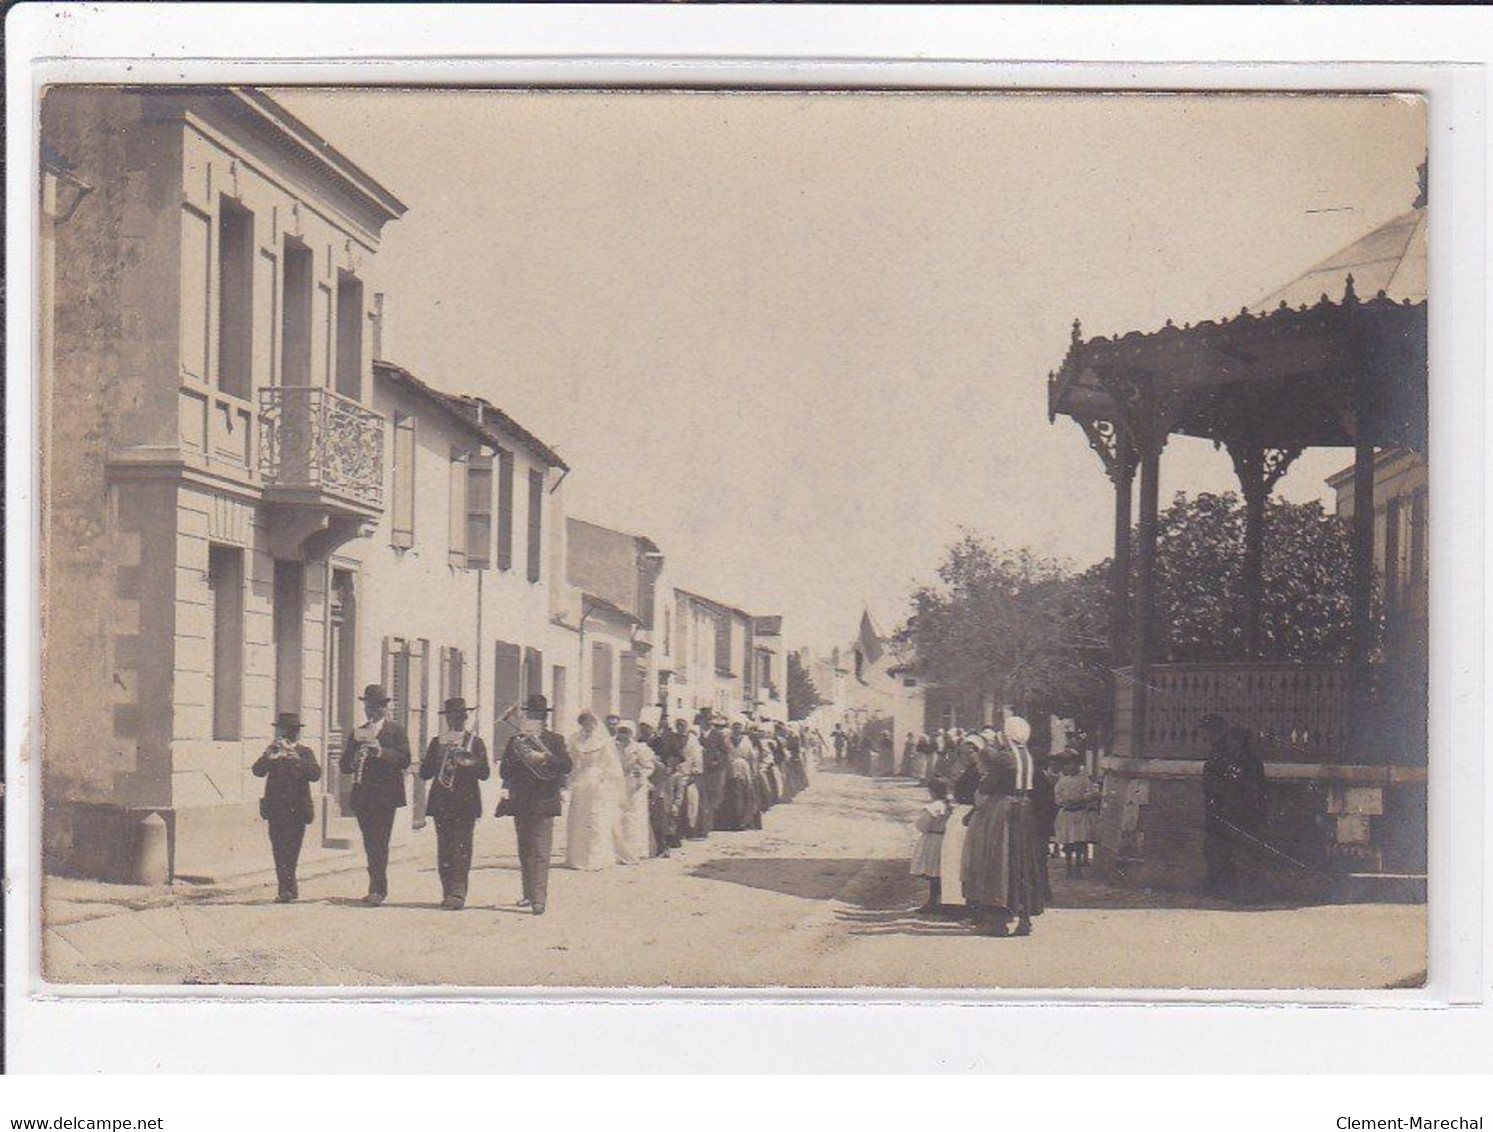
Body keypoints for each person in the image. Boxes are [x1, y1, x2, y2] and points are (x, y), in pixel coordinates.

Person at [960, 730, 1045, 938]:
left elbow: (987, 786)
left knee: (999, 865)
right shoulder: (1026, 755)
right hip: (1025, 810)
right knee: (1023, 864)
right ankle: (1025, 920)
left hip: (1004, 813)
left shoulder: (1004, 757)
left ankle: (999, 923)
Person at [497, 695, 573, 915]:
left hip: (545, 799)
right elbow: (504, 771)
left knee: (540, 850)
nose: (533, 718)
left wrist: (544, 758)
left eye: (537, 715)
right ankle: (529, 893)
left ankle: (539, 899)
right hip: (521, 800)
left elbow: (566, 765)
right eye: (530, 714)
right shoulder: (516, 741)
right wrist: (517, 758)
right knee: (525, 849)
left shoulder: (555, 740)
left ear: (544, 717)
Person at [339, 683, 412, 906]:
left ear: (384, 708)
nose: (371, 711)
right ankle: (375, 886)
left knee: (380, 842)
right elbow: (344, 766)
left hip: (386, 796)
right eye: (368, 707)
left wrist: (380, 752)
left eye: (376, 707)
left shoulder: (395, 730)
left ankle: (378, 889)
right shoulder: (358, 732)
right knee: (370, 842)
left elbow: (405, 759)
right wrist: (354, 757)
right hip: (363, 795)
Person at [419, 697, 490, 910]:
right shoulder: (437, 741)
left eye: (459, 716)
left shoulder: (475, 742)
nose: (455, 720)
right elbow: (424, 773)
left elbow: (485, 773)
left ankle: (458, 893)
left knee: (462, 848)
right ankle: (447, 890)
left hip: (466, 802)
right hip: (441, 802)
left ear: (465, 718)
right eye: (451, 716)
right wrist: (438, 758)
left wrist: (467, 761)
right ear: (446, 718)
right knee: (445, 848)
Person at [253, 712, 321, 903]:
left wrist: (297, 759)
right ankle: (286, 889)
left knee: (292, 850)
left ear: (296, 733)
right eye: (282, 731)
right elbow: (257, 771)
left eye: (289, 731)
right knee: (278, 849)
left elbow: (316, 774)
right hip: (276, 809)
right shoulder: (273, 750)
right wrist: (268, 756)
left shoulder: (304, 751)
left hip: (297, 810)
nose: (284, 735)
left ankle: (288, 888)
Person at [1202, 719, 1268, 898]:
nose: (1230, 743)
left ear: (1241, 741)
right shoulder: (1223, 758)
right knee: (1221, 852)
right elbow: (1211, 782)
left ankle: (1246, 892)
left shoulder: (1251, 762)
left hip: (1243, 813)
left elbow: (1256, 788)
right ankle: (1223, 889)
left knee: (1244, 853)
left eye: (1234, 740)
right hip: (1223, 812)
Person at [565, 710, 624, 871]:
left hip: (598, 780)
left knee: (596, 817)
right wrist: (568, 780)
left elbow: (612, 765)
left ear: (595, 723)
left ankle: (596, 857)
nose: (587, 725)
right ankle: (578, 858)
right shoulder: (575, 739)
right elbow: (570, 762)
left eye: (589, 722)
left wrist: (605, 779)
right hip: (581, 780)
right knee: (580, 817)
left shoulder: (602, 741)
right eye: (584, 722)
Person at [937, 735, 985, 914]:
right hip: (960, 815)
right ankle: (954, 901)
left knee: (965, 860)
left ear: (978, 752)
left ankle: (967, 902)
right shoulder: (967, 770)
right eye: (962, 753)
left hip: (971, 816)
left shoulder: (980, 771)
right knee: (953, 859)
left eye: (969, 753)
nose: (965, 757)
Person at [1054, 753, 1101, 876]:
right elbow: (1057, 796)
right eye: (1067, 765)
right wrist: (1064, 801)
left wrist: (1082, 799)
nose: (1069, 767)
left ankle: (1078, 865)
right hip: (1067, 813)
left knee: (1080, 841)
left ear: (1078, 766)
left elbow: (1091, 793)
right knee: (1068, 841)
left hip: (1080, 812)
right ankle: (1068, 867)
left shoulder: (1084, 779)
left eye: (1072, 764)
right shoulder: (1062, 780)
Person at [911, 778, 953, 915]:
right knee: (941, 872)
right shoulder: (951, 804)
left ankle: (934, 902)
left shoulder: (935, 806)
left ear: (932, 792)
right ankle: (941, 901)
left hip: (934, 839)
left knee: (934, 872)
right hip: (946, 838)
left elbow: (922, 825)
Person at [615, 720, 655, 864]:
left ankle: (634, 850)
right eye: (621, 731)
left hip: (634, 785)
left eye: (626, 731)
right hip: (619, 784)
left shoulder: (639, 748)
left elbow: (649, 767)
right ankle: (619, 850)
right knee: (619, 815)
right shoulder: (614, 747)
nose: (623, 735)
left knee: (633, 817)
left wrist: (641, 774)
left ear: (631, 733)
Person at [700, 715, 732, 836]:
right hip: (699, 769)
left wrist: (717, 761)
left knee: (712, 797)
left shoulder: (717, 735)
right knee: (701, 798)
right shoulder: (697, 734)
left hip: (713, 771)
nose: (707, 723)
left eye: (709, 721)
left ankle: (709, 824)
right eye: (705, 720)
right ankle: (701, 825)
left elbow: (724, 752)